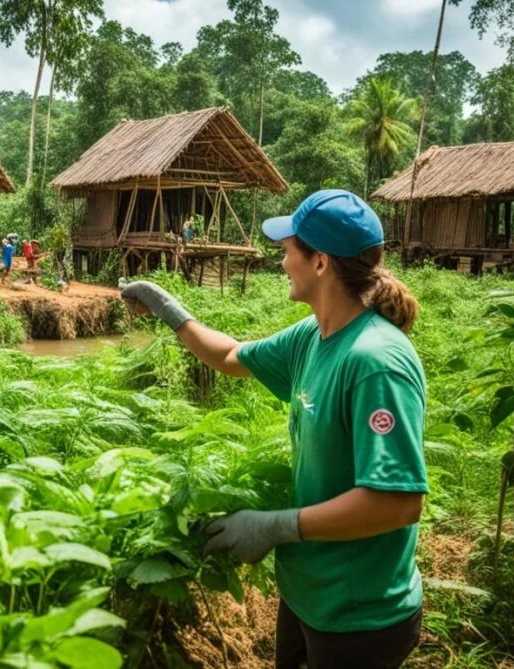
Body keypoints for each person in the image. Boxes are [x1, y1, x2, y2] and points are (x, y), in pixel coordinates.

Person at [121, 190, 426, 669]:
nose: (281, 261)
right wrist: (170, 311)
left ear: (320, 261)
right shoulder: (312, 337)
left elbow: (398, 501)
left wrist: (275, 525)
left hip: (359, 615)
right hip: (307, 592)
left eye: (287, 249)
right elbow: (228, 356)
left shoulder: (374, 362)